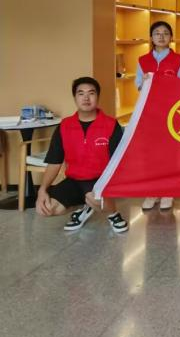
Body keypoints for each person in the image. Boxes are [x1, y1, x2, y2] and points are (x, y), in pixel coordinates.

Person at [35, 77, 128, 233]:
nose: (86, 98)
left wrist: (109, 186)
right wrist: (42, 190)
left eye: (91, 93)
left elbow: (118, 162)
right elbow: (54, 162)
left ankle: (113, 214)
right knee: (46, 208)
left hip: (99, 180)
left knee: (94, 198)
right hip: (75, 180)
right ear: (75, 98)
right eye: (81, 93)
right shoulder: (64, 126)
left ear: (97, 97)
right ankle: (85, 207)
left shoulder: (111, 125)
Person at [136, 20, 180, 212]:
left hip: (171, 113)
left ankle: (168, 192)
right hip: (150, 114)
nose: (161, 36)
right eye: (157, 33)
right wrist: (145, 82)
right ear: (151, 37)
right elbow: (139, 86)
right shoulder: (143, 60)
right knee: (150, 154)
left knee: (169, 153)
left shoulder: (179, 59)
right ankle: (152, 192)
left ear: (171, 37)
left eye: (165, 33)